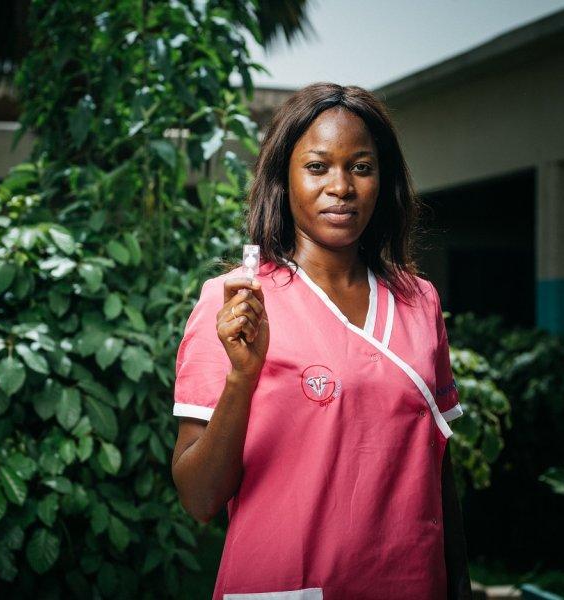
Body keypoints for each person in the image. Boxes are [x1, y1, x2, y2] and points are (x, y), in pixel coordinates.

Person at [170, 83, 471, 600]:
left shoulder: (419, 302)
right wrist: (243, 376)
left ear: (383, 180)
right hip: (282, 584)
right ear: (283, 178)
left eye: (360, 166)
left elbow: (438, 475)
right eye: (317, 167)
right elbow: (199, 499)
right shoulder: (236, 302)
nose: (341, 187)